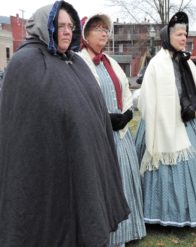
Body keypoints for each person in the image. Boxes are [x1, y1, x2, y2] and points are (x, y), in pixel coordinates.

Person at [0, 1, 130, 246]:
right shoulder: (25, 63)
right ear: (44, 26)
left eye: (70, 26)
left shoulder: (76, 62)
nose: (68, 31)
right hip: (46, 172)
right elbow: (25, 126)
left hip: (83, 163)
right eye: (60, 26)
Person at [135, 11, 196, 227]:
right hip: (161, 123)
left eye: (185, 34)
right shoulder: (156, 64)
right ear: (168, 36)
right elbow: (146, 99)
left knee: (195, 167)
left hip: (187, 122)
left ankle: (192, 210)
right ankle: (161, 212)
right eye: (179, 34)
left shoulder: (188, 63)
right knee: (164, 171)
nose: (184, 38)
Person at [78, 14, 146, 246]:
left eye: (106, 29)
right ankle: (109, 236)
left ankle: (129, 230)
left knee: (126, 179)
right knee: (106, 183)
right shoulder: (78, 62)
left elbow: (126, 91)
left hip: (120, 134)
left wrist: (126, 115)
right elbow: (79, 99)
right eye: (98, 29)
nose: (104, 33)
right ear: (85, 34)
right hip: (98, 134)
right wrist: (105, 119)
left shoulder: (111, 61)